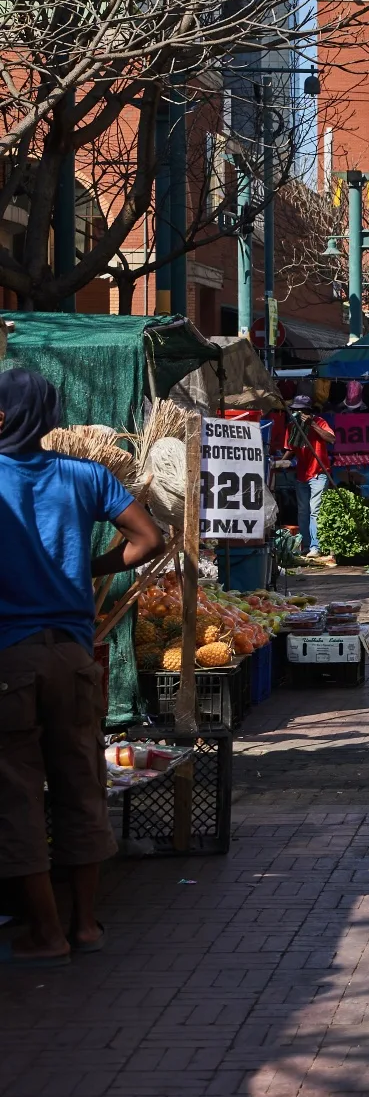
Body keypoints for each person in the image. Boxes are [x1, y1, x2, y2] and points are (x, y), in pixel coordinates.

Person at [0, 368, 167, 965]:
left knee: (17, 793)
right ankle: (86, 925)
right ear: (48, 420)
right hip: (73, 653)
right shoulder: (84, 475)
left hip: (9, 659)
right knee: (80, 783)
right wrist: (89, 571)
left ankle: (45, 932)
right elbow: (150, 539)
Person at [288, 394, 334, 560]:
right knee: (303, 511)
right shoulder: (292, 426)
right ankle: (306, 546)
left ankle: (316, 546)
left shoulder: (320, 422)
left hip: (318, 473)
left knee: (315, 511)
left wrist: (312, 424)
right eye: (294, 410)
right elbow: (291, 447)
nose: (296, 413)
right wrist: (280, 462)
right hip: (302, 474)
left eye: (299, 411)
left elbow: (331, 438)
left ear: (307, 411)